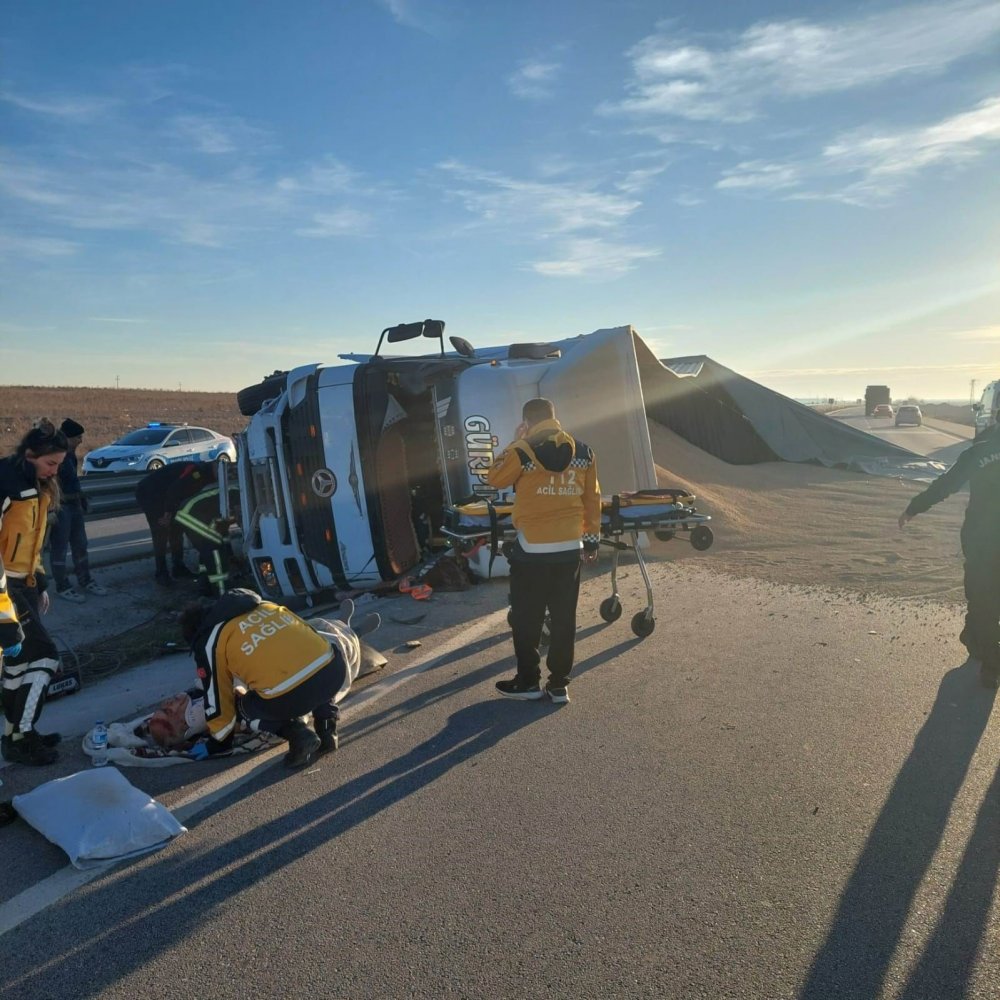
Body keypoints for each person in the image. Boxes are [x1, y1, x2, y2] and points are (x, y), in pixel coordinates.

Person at [180, 589, 379, 768]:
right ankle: (327, 730)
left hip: (293, 697)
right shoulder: (266, 606)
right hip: (335, 672)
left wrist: (218, 743)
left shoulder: (210, 642)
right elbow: (310, 636)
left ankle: (298, 735)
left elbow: (218, 696)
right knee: (312, 664)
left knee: (241, 704)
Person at [486, 397, 601, 704]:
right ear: (555, 418)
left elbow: (493, 478)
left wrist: (515, 441)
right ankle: (559, 684)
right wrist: (591, 539)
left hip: (532, 548)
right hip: (568, 548)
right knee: (564, 617)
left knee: (527, 618)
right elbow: (592, 500)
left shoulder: (522, 450)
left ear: (528, 421)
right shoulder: (584, 451)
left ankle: (528, 682)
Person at [898, 421, 1000, 685]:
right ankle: (977, 640)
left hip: (981, 539)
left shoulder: (978, 453)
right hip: (982, 539)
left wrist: (914, 507)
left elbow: (947, 484)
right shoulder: (977, 451)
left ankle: (991, 664)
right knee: (985, 597)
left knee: (983, 597)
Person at [0, 420, 69, 765]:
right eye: (50, 464)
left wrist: (38, 583)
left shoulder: (36, 487)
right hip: (4, 589)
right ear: (30, 454)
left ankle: (14, 735)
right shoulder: (7, 485)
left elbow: (31, 545)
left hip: (20, 585)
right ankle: (22, 735)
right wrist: (4, 615)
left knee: (17, 666)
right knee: (44, 657)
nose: (54, 471)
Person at [49, 418, 108, 603]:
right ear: (67, 438)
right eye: (77, 437)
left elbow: (73, 482)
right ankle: (62, 585)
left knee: (80, 544)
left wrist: (81, 498)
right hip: (60, 508)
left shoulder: (71, 456)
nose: (81, 441)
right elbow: (48, 486)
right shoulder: (54, 457)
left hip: (74, 507)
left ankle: (85, 579)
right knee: (59, 549)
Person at [135, 461, 214, 585]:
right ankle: (161, 573)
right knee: (161, 533)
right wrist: (167, 514)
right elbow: (174, 490)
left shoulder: (204, 473)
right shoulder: (197, 472)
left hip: (165, 495)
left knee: (177, 529)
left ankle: (178, 567)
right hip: (150, 494)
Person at [174, 480, 242, 596]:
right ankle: (222, 594)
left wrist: (229, 551)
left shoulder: (235, 494)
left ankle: (204, 586)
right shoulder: (240, 497)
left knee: (208, 549)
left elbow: (222, 529)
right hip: (191, 514)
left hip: (191, 513)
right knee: (216, 552)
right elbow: (243, 521)